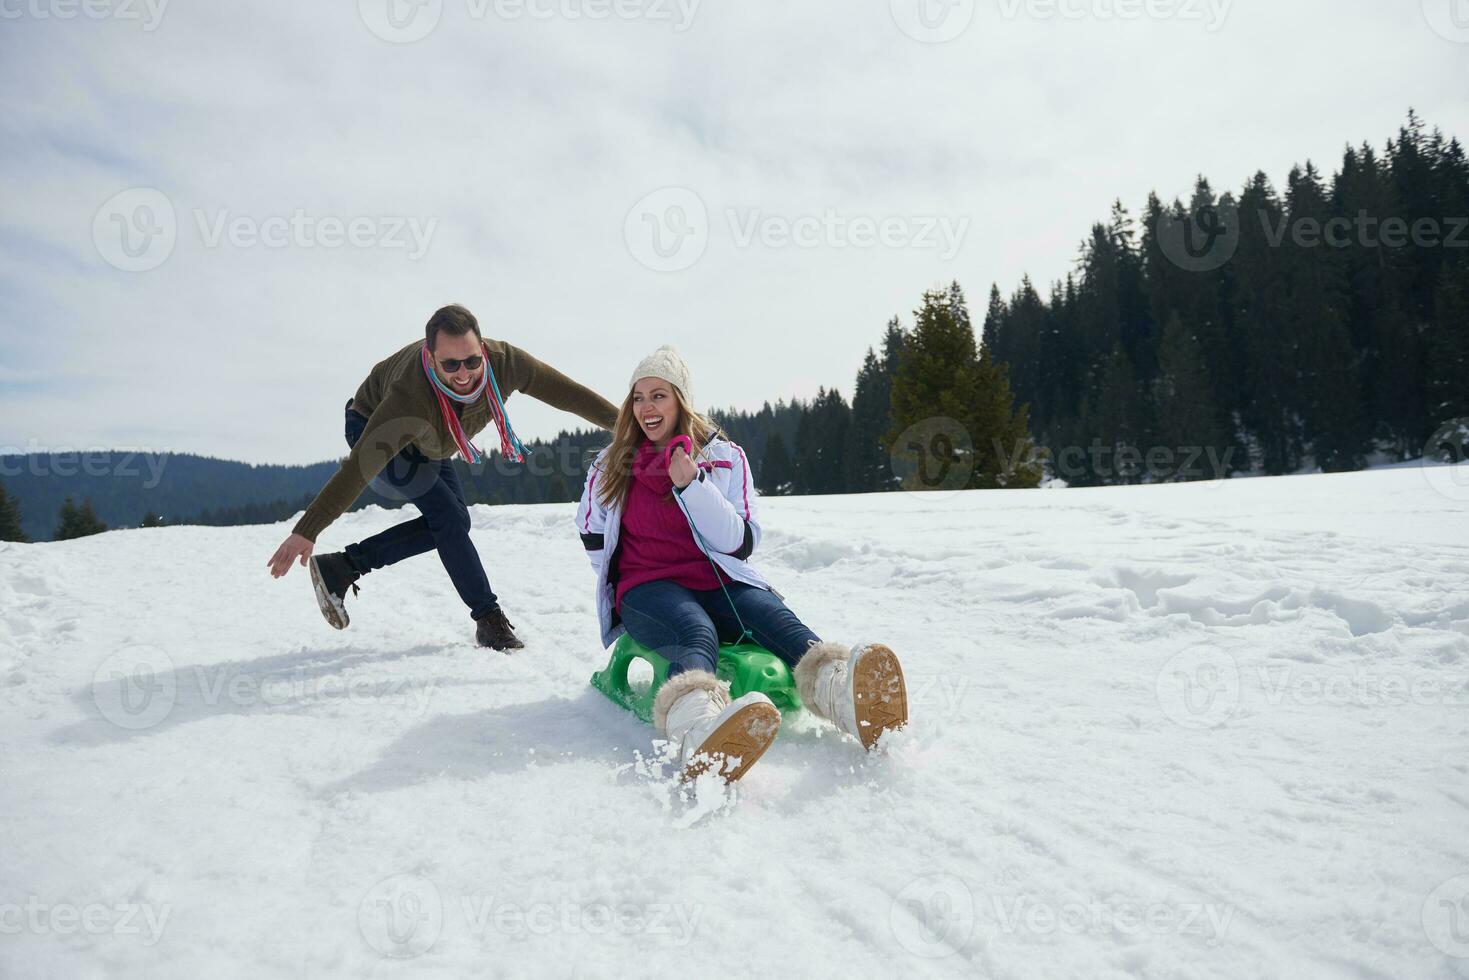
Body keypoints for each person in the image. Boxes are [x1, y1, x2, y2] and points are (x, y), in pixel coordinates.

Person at [575, 346, 908, 782]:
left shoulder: (724, 458)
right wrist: (622, 580)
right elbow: (592, 533)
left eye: (658, 395)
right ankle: (697, 732)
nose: (646, 408)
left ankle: (843, 699)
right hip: (647, 588)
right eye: (638, 398)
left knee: (777, 621)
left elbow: (739, 542)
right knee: (695, 631)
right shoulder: (610, 464)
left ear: (680, 400)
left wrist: (692, 483)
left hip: (719, 579)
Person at [268, 304, 618, 650]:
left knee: (455, 521)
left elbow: (569, 394)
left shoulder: (506, 363)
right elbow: (358, 468)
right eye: (451, 364)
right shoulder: (409, 397)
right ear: (431, 357)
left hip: (428, 443)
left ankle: (342, 567)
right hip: (373, 425)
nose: (464, 374)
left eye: (471, 361)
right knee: (447, 518)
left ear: (483, 350)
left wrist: (625, 427)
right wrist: (307, 529)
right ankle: (488, 618)